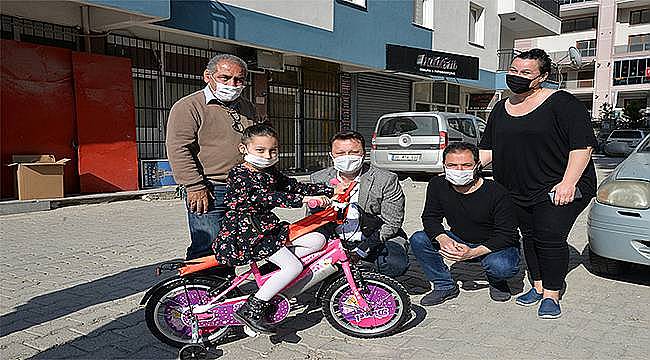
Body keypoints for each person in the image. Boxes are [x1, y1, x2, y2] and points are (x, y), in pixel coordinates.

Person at [479, 48, 597, 319]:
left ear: (542, 77)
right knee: (529, 236)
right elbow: (488, 150)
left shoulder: (562, 103)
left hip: (561, 185)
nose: (517, 76)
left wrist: (568, 183)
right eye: (514, 71)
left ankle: (552, 295)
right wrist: (463, 167)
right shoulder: (501, 108)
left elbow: (582, 147)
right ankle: (538, 285)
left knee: (549, 237)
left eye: (526, 73)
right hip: (516, 188)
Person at [213, 124, 333, 333]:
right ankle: (251, 308)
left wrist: (329, 189)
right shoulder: (238, 174)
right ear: (244, 149)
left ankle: (274, 275)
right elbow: (264, 196)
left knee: (317, 240)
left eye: (273, 150)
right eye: (260, 150)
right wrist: (304, 200)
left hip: (265, 228)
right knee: (293, 267)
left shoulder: (269, 171)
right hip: (247, 232)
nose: (267, 155)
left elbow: (292, 185)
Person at [166, 54, 258, 261]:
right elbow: (178, 148)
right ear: (208, 76)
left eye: (239, 80)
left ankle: (221, 289)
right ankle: (196, 291)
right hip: (209, 188)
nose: (232, 84)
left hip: (242, 187)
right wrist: (194, 185)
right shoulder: (189, 106)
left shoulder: (247, 107)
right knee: (207, 245)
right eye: (225, 78)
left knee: (231, 245)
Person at [410, 142, 520, 306]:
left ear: (476, 166)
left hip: (495, 244)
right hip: (459, 237)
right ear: (444, 166)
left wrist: (473, 252)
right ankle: (444, 285)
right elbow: (430, 217)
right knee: (419, 239)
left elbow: (507, 234)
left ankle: (497, 280)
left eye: (466, 165)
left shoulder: (497, 192)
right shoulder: (437, 185)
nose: (459, 170)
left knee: (501, 266)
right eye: (452, 165)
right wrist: (443, 239)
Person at [310, 131, 409, 278]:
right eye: (340, 153)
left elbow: (392, 223)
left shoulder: (386, 179)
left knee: (393, 263)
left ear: (363, 154)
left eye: (354, 152)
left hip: (374, 238)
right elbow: (313, 220)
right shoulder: (318, 179)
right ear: (331, 155)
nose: (347, 157)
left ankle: (372, 276)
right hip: (336, 240)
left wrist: (362, 250)